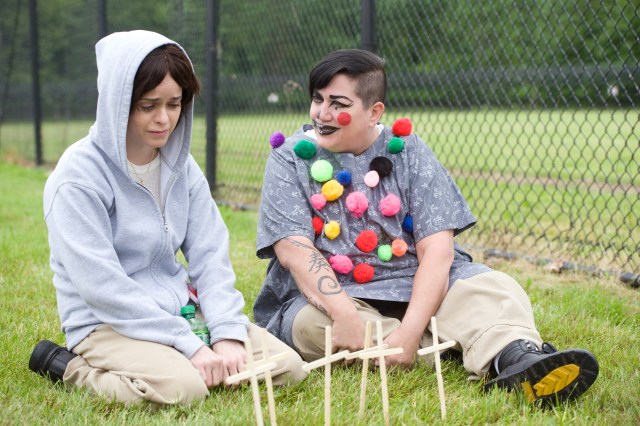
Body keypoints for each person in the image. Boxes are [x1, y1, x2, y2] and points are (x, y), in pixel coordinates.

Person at [253, 48, 598, 406]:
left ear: (374, 112)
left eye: (338, 104)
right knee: (310, 326)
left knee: (493, 287)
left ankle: (517, 360)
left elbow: (436, 249)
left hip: (416, 285)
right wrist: (343, 312)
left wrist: (412, 327)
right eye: (317, 99)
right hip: (339, 296)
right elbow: (295, 250)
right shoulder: (289, 157)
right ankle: (459, 342)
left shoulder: (409, 151)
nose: (322, 114)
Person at [29, 30, 306, 405]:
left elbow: (209, 253)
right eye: (148, 105)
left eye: (174, 104)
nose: (164, 119)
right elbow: (102, 287)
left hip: (180, 308)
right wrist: (190, 345)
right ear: (118, 102)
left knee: (287, 367)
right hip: (106, 321)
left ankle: (187, 354)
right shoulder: (77, 178)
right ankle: (68, 366)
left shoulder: (183, 168)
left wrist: (224, 331)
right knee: (184, 389)